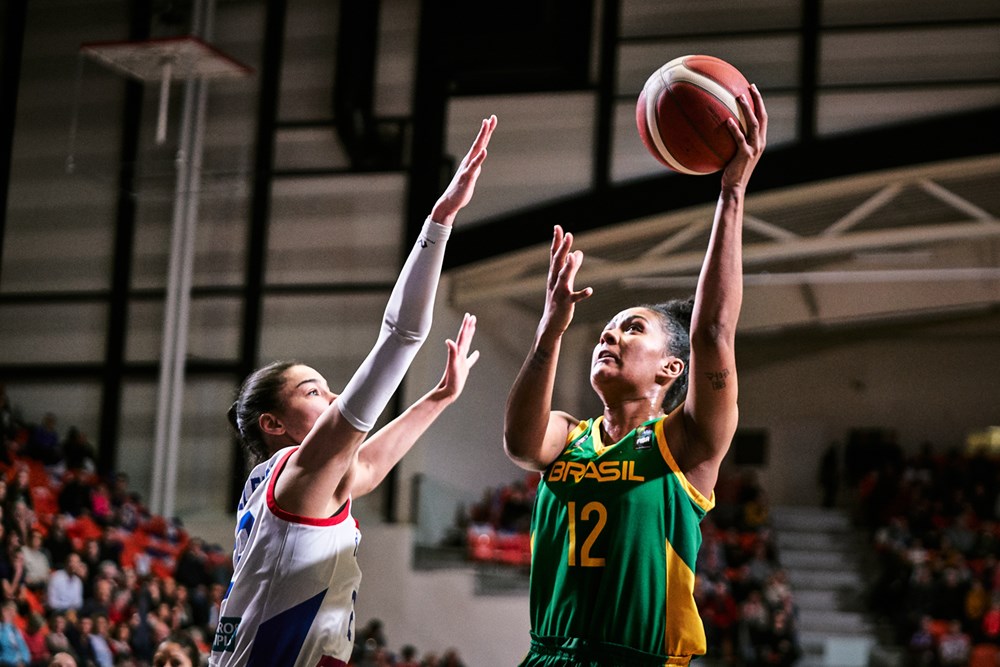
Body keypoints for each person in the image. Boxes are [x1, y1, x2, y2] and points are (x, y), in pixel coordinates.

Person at [208, 116, 495, 667]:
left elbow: (368, 468)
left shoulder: (299, 484)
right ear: (274, 424)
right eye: (314, 390)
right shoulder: (298, 473)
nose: (334, 397)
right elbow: (403, 335)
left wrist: (438, 399)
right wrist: (439, 221)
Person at [503, 86, 766, 665]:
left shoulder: (686, 444)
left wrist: (732, 192)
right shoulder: (566, 437)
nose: (609, 335)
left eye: (633, 329)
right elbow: (520, 443)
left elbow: (713, 332)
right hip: (547, 657)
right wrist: (550, 328)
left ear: (672, 367)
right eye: (608, 329)